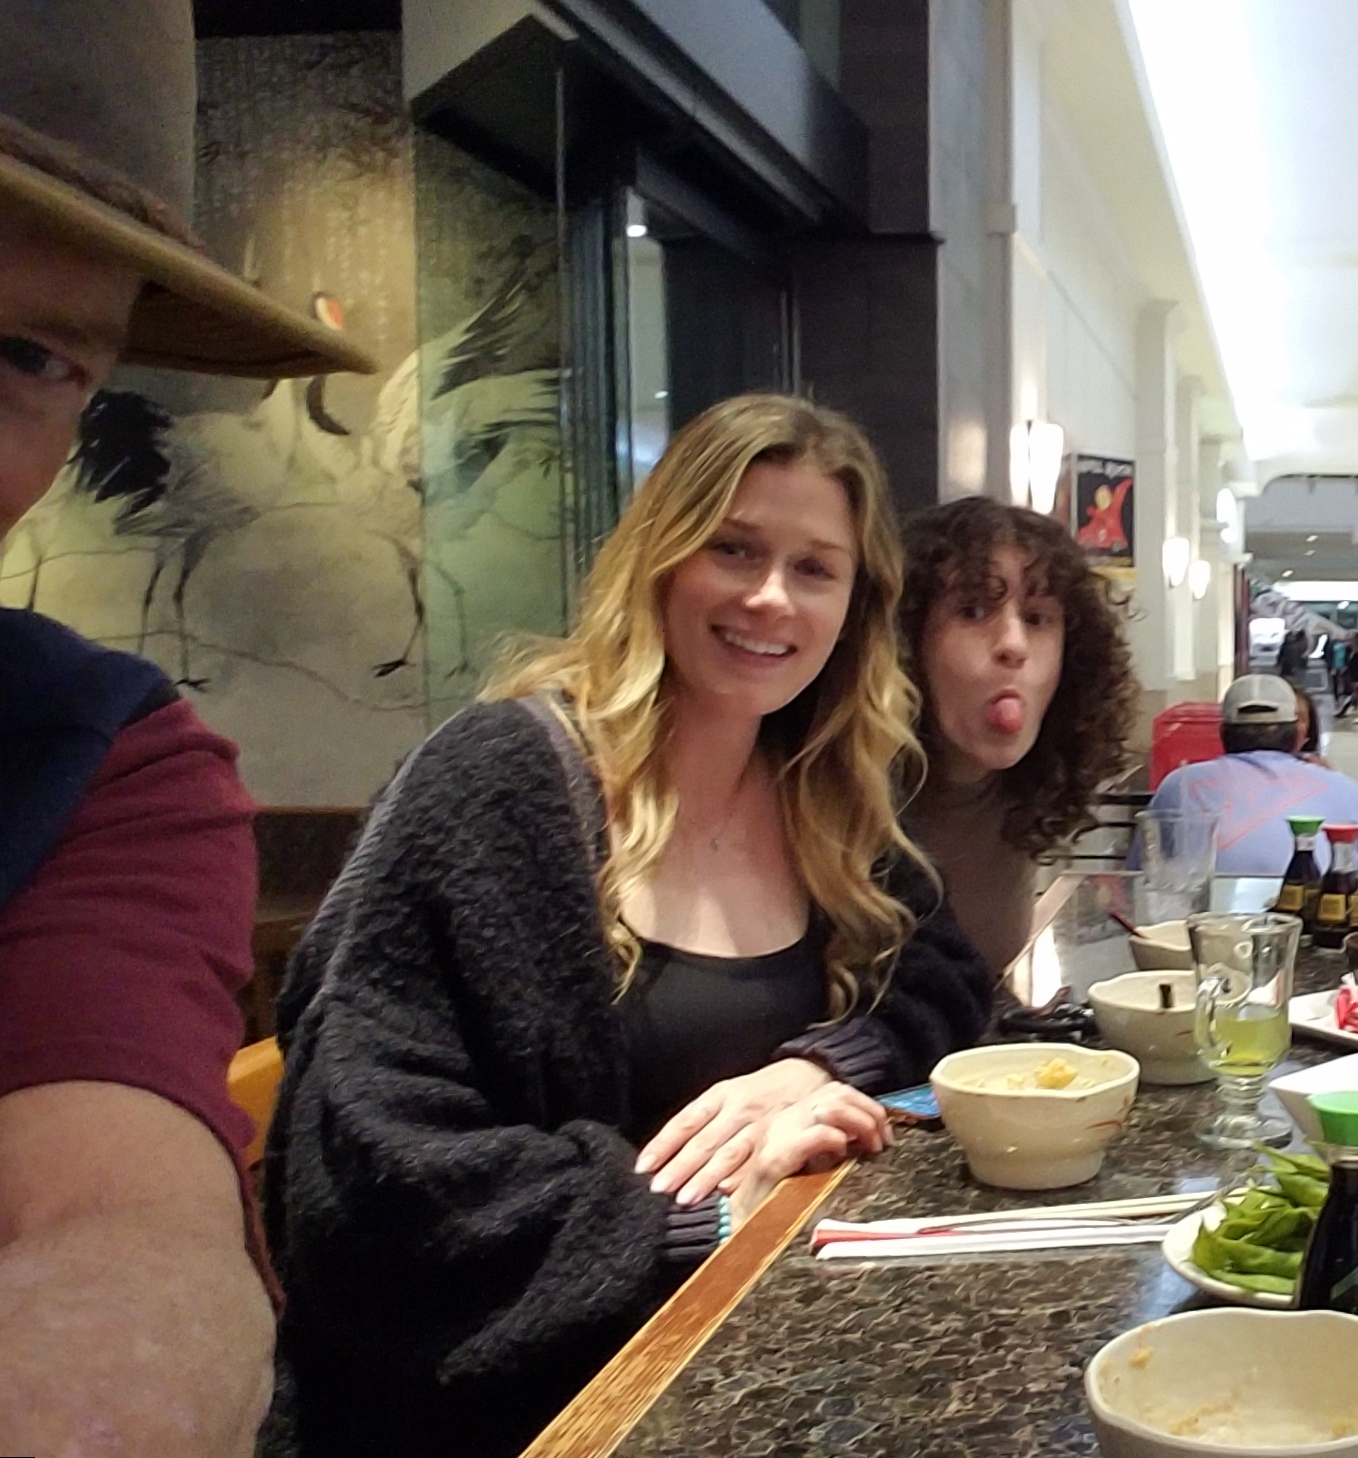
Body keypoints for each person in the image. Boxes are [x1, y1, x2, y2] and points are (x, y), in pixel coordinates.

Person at [261, 396, 995, 1458]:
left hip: (750, 1368)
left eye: (814, 568)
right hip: (509, 1417)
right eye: (733, 548)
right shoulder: (500, 783)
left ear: (855, 605)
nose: (770, 596)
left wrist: (814, 1067)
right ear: (659, 554)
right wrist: (702, 1214)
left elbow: (948, 982)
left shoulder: (825, 788)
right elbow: (367, 1179)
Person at [0, 1, 378, 1450]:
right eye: (739, 553)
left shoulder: (96, 764)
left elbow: (128, 1252)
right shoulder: (513, 774)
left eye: (32, 357)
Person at [899, 496, 1134, 974]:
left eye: (1036, 618)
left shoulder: (1027, 791)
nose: (1013, 644)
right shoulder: (842, 802)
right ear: (908, 641)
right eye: (972, 611)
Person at [1144, 674, 1358, 877]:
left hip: (1203, 923)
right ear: (1296, 733)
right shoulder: (1344, 790)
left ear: (1223, 734)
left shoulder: (1179, 785)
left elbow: (1142, 873)